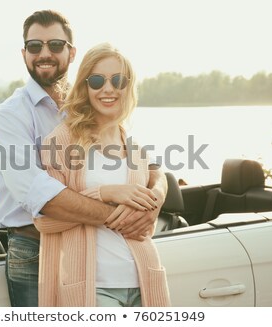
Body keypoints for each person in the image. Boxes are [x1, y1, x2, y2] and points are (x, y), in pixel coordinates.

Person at [0, 10, 167, 307]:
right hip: (33, 246)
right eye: (35, 46)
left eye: (55, 45)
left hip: (101, 252)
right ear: (24, 53)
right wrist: (122, 216)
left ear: (71, 53)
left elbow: (147, 167)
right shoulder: (12, 115)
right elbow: (40, 196)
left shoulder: (93, 97)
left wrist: (155, 201)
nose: (44, 53)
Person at [35, 43, 171, 307]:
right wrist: (105, 193)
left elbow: (156, 188)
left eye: (117, 80)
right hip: (95, 289)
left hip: (144, 281)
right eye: (97, 80)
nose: (108, 89)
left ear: (128, 86)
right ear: (85, 87)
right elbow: (45, 220)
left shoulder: (135, 147)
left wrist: (156, 197)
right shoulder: (61, 141)